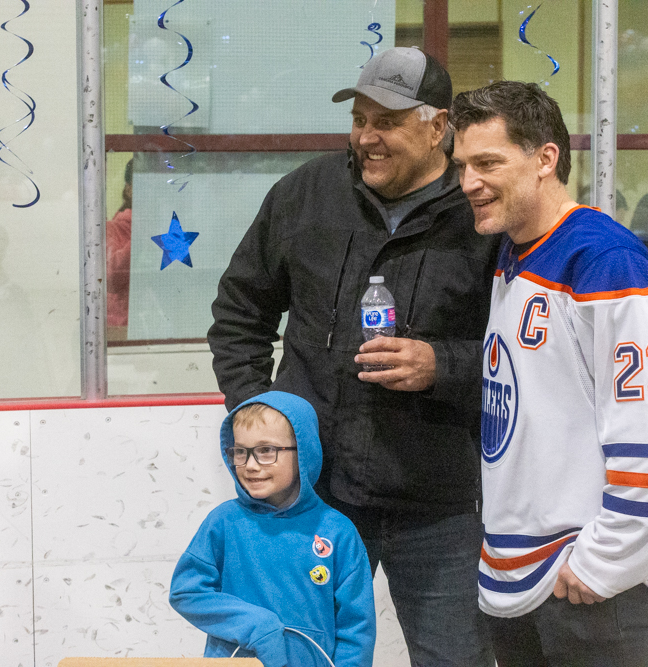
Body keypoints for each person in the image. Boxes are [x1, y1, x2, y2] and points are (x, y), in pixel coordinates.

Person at [208, 47, 500, 666]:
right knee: (297, 655)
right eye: (359, 119)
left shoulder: (482, 212)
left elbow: (525, 355)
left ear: (438, 127)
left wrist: (442, 366)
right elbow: (239, 313)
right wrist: (258, 414)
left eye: (386, 123)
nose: (367, 137)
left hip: (442, 503)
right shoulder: (305, 194)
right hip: (314, 496)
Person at [450, 81, 648, 666]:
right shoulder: (512, 252)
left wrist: (604, 563)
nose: (469, 183)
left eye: (488, 163)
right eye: (462, 166)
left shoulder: (606, 260)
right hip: (517, 580)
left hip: (585, 587)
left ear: (545, 159)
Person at [169, 391, 375, 667]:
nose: (250, 465)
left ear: (303, 451)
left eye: (266, 450)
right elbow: (186, 592)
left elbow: (356, 628)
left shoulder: (338, 531)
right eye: (240, 451)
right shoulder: (223, 522)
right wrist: (255, 626)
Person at [107, 159, 133, 330]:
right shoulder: (112, 228)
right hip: (122, 328)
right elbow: (111, 279)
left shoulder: (174, 230)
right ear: (129, 190)